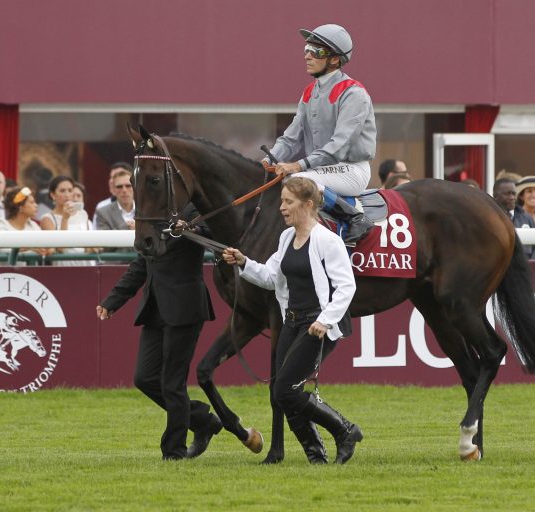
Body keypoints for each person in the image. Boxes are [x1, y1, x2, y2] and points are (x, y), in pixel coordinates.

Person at [222, 178, 362, 464]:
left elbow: (347, 286)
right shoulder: (286, 238)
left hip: (318, 326)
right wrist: (244, 263)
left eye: (288, 202)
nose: (281, 208)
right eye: (282, 201)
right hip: (293, 322)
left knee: (285, 390)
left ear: (308, 205)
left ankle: (344, 430)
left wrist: (325, 321)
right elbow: (272, 277)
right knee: (283, 392)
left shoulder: (328, 240)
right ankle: (316, 455)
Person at [97, 203, 219, 461]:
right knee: (144, 378)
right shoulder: (152, 214)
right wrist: (112, 301)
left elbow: (215, 234)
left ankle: (173, 451)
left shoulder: (193, 208)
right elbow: (141, 265)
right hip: (155, 309)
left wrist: (190, 228)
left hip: (185, 308)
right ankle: (201, 420)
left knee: (172, 382)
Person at [262, 24, 376, 244]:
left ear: (334, 59)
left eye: (316, 51)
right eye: (307, 49)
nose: (307, 56)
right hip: (321, 169)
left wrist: (298, 165)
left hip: (351, 169)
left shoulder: (354, 93)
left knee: (297, 180)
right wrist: (268, 160)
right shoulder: (309, 92)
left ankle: (355, 218)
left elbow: (339, 145)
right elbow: (290, 138)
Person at [40, 175, 96, 266]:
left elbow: (87, 247)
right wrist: (65, 219)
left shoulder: (82, 213)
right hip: (64, 267)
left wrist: (94, 247)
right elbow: (60, 248)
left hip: (86, 264)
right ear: (53, 195)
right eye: (62, 191)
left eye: (70, 190)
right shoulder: (47, 219)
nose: (67, 195)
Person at [0, 186, 51, 265]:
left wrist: (47, 249)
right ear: (20, 207)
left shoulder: (33, 226)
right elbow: (3, 248)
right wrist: (31, 247)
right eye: (32, 202)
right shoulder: (0, 224)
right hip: (3, 276)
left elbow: (45, 246)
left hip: (29, 276)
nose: (36, 205)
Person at [493, 178, 535, 259]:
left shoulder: (526, 218)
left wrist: (531, 264)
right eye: (507, 194)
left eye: (513, 194)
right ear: (495, 196)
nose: (512, 197)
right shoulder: (490, 218)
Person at [93, 162, 133, 228]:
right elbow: (101, 237)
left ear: (135, 187)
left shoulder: (146, 212)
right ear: (113, 189)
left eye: (128, 186)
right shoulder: (102, 212)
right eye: (119, 186)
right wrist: (127, 227)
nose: (124, 190)